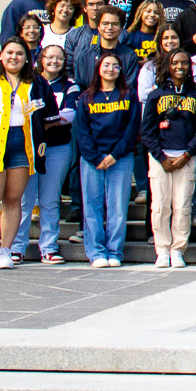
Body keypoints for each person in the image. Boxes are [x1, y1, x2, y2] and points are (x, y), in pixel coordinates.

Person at [0, 37, 57, 270]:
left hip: (23, 146)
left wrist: (35, 138)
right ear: (1, 55)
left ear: (27, 58)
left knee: (14, 201)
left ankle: (6, 250)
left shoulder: (38, 83)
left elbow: (49, 119)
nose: (14, 57)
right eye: (9, 52)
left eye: (19, 53)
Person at [10, 44, 78, 264]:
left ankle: (48, 247)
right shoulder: (28, 82)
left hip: (57, 147)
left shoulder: (70, 85)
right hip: (27, 147)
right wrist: (43, 120)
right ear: (41, 59)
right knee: (24, 200)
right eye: (50, 57)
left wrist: (43, 120)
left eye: (59, 58)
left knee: (50, 200)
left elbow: (70, 113)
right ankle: (17, 246)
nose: (54, 62)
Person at [140, 49, 196, 268]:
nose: (180, 67)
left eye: (185, 63)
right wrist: (161, 156)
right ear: (168, 66)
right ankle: (162, 250)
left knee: (182, 205)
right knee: (160, 205)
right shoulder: (156, 95)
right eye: (175, 63)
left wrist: (188, 154)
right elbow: (147, 131)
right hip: (161, 158)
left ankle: (178, 249)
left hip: (186, 157)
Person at [72, 52, 139, 268]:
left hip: (120, 158)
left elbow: (131, 130)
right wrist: (95, 157)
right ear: (98, 69)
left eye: (116, 66)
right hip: (92, 160)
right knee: (92, 206)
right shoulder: (86, 98)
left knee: (118, 207)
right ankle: (96, 252)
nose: (111, 69)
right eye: (106, 65)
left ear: (121, 70)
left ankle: (114, 251)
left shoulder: (128, 96)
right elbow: (82, 131)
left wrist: (114, 155)